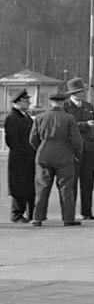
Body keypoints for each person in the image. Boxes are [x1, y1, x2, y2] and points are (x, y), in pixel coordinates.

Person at [30, 91, 83, 227]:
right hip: (64, 155)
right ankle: (68, 218)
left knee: (42, 188)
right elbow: (77, 140)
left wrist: (41, 147)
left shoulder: (40, 117)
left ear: (50, 102)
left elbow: (32, 139)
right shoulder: (69, 118)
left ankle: (38, 218)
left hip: (44, 154)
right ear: (63, 102)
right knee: (66, 188)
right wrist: (77, 153)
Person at [63, 77, 94, 220]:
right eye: (79, 91)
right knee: (72, 182)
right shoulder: (66, 107)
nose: (82, 94)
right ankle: (70, 212)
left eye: (82, 91)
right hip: (74, 149)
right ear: (72, 93)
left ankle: (87, 211)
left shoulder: (89, 106)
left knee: (88, 181)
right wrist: (85, 125)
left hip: (90, 148)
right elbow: (67, 126)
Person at [5, 90, 37, 223]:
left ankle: (31, 214)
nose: (29, 103)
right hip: (19, 159)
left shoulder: (26, 117)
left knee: (30, 186)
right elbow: (12, 140)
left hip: (29, 158)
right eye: (26, 100)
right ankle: (17, 214)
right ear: (18, 102)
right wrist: (24, 154)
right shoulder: (12, 118)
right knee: (20, 187)